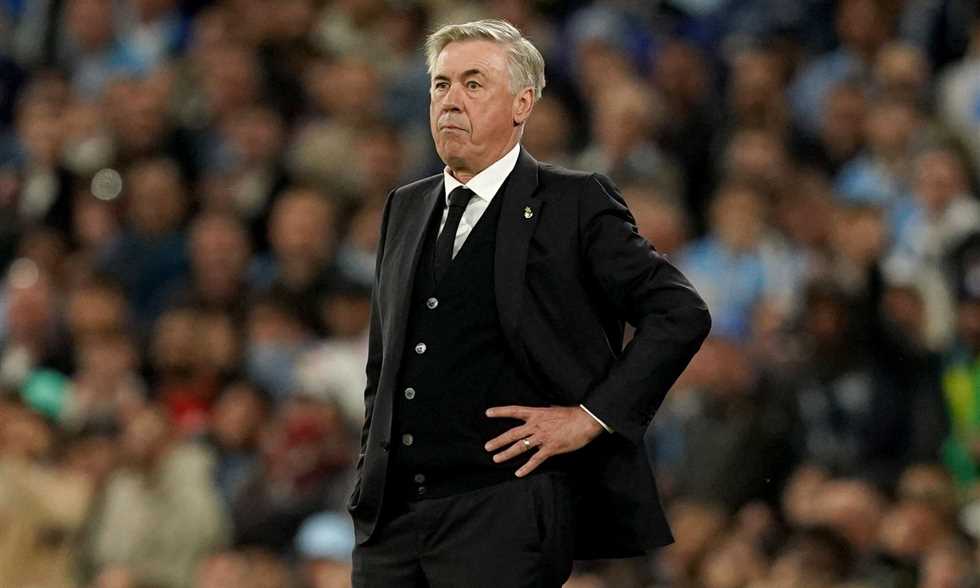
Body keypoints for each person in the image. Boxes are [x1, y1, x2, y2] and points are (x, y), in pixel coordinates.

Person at [349, 19, 711, 587]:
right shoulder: (406, 205)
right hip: (392, 524)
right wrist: (367, 475)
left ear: (522, 104)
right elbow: (385, 359)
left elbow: (680, 312)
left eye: (473, 84)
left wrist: (591, 417)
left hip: (504, 512)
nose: (450, 100)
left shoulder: (574, 202)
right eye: (441, 84)